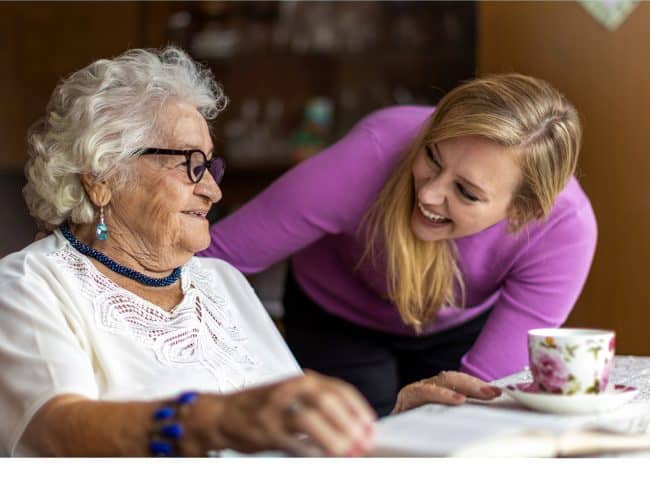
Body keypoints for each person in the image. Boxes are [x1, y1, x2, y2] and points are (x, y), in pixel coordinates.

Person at [0, 47, 500, 457]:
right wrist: (214, 418)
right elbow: (57, 430)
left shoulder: (220, 282)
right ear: (103, 179)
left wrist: (388, 424)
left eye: (210, 169)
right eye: (189, 166)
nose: (213, 193)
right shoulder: (29, 287)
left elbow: (287, 432)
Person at [201, 74, 597, 416]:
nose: (429, 194)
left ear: (522, 212)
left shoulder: (565, 229)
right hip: (338, 315)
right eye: (432, 157)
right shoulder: (372, 153)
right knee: (350, 442)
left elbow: (483, 397)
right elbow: (210, 258)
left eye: (465, 192)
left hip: (458, 325)